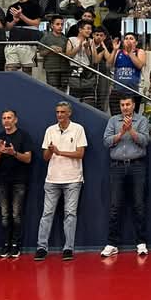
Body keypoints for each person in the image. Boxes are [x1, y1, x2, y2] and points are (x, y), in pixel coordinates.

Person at [36, 101, 87, 261]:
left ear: (69, 113)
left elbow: (80, 154)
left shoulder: (78, 129)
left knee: (70, 214)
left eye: (62, 112)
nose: (59, 115)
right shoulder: (50, 130)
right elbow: (45, 157)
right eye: (57, 112)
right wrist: (51, 152)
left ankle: (68, 248)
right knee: (47, 213)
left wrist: (59, 152)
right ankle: (41, 247)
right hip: (52, 179)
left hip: (73, 179)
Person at [101, 96, 150, 258]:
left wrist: (131, 130)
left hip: (137, 166)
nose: (125, 107)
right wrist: (121, 132)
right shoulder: (113, 121)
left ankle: (141, 243)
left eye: (128, 104)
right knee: (115, 206)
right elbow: (106, 141)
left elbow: (144, 141)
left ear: (134, 105)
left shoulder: (141, 120)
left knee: (139, 205)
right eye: (122, 104)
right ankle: (112, 244)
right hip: (117, 167)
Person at [0, 109, 33, 259]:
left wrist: (14, 153)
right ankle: (5, 244)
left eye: (9, 117)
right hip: (2, 181)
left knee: (16, 215)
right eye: (4, 118)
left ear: (15, 120)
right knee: (4, 215)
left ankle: (15, 245)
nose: (6, 120)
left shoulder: (24, 136)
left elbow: (28, 158)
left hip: (19, 181)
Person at [105, 32, 146, 114]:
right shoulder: (118, 52)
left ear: (136, 42)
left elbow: (139, 65)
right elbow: (108, 65)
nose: (128, 40)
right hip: (117, 91)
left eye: (131, 38)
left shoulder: (140, 51)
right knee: (116, 118)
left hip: (133, 91)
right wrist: (114, 50)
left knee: (131, 118)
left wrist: (130, 52)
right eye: (126, 38)